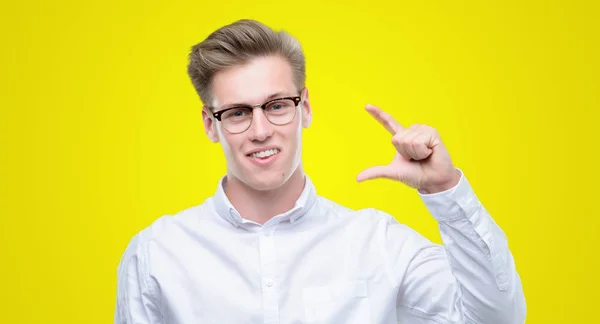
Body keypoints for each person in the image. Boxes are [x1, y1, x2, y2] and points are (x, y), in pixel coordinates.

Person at [114, 19, 526, 324]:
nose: (261, 131)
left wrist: (443, 188)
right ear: (210, 124)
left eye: (276, 105)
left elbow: (499, 318)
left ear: (304, 108)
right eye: (238, 112)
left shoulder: (378, 243)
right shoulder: (157, 255)